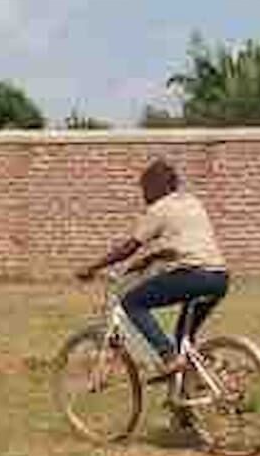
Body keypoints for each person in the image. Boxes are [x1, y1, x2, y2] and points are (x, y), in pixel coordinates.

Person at [75, 160, 228, 380]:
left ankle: (167, 357)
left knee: (132, 302)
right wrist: (148, 260)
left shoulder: (159, 208)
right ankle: (193, 389)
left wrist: (93, 267)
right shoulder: (192, 202)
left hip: (192, 275)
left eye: (145, 189)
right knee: (184, 339)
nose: (144, 196)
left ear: (157, 186)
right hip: (219, 278)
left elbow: (130, 247)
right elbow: (177, 246)